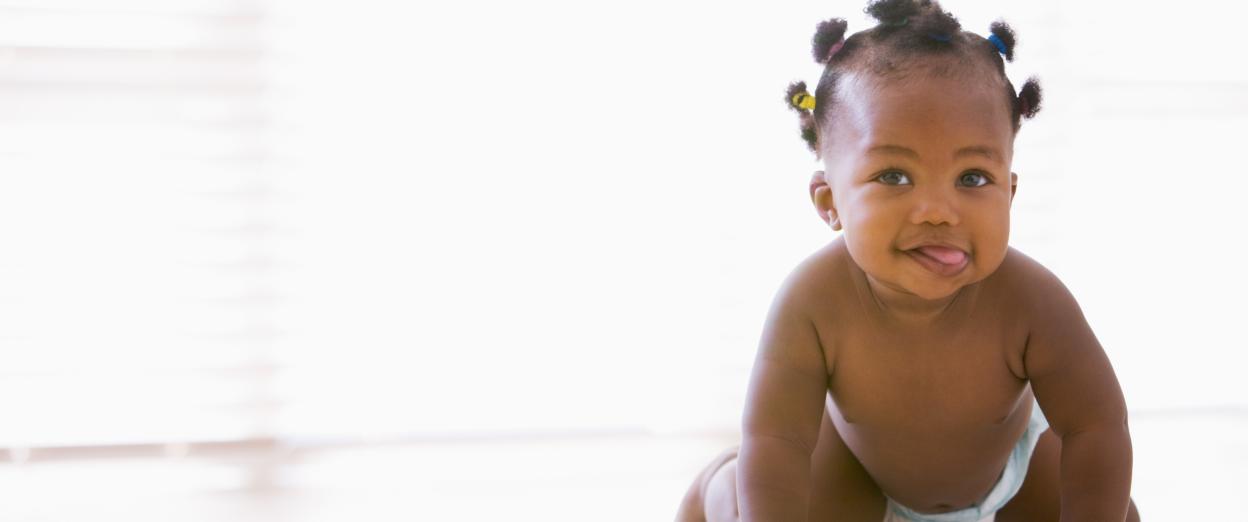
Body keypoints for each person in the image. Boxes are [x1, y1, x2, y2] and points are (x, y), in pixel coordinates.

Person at [675, 1, 1141, 520]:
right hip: (854, 477)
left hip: (1012, 475)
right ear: (830, 202)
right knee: (755, 497)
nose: (938, 211)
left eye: (972, 178)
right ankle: (715, 485)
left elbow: (1096, 426)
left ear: (1008, 195)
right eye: (894, 176)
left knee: (1116, 508)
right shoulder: (813, 302)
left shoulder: (1033, 301)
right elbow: (777, 440)